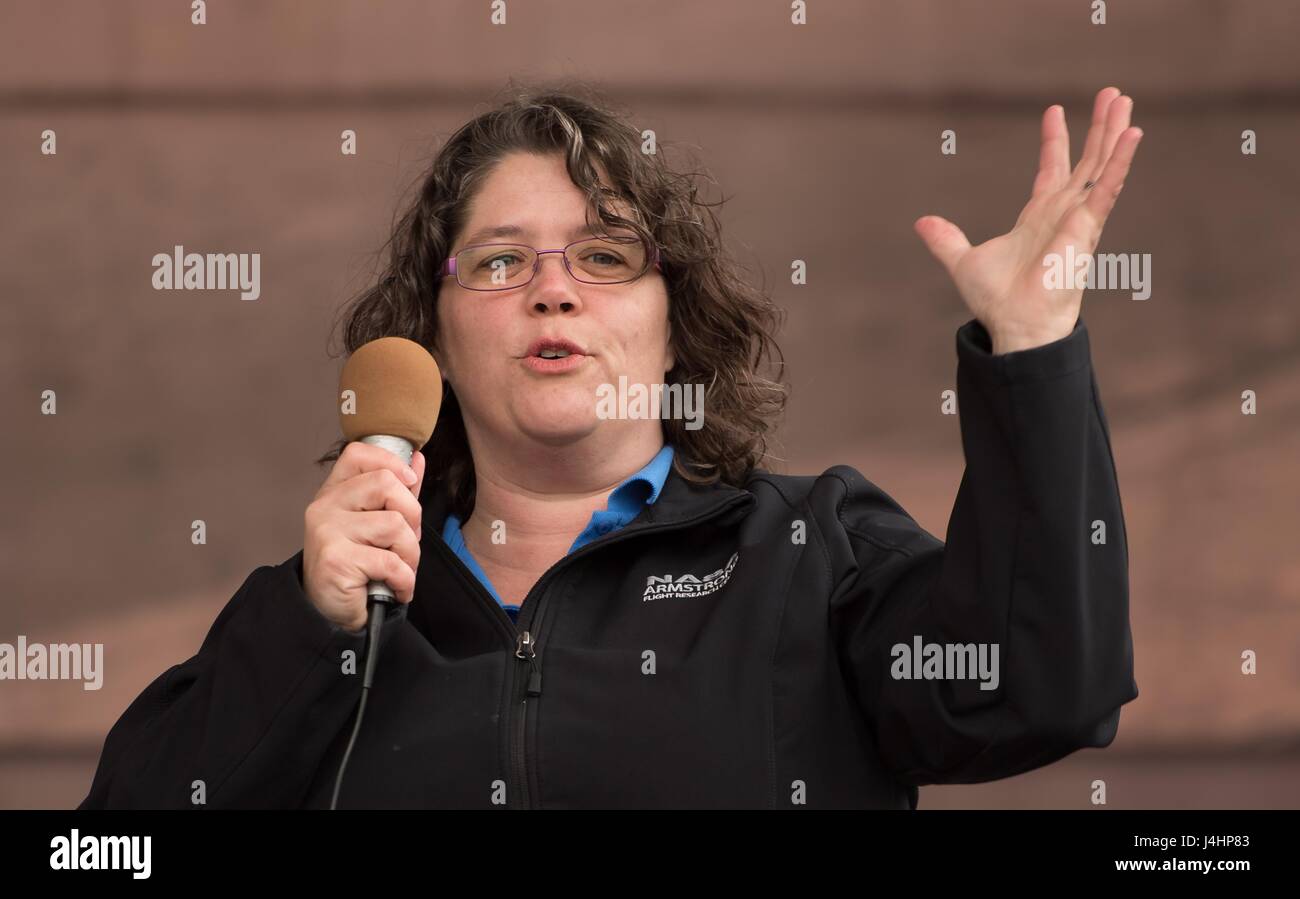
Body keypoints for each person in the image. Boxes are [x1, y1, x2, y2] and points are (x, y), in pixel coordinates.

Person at [80, 83, 1141, 809]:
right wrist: (308, 632)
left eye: (603, 253)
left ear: (673, 323)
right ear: (434, 336)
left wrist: (1034, 348)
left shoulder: (810, 554)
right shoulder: (336, 608)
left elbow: (1042, 687)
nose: (552, 286)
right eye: (497, 263)